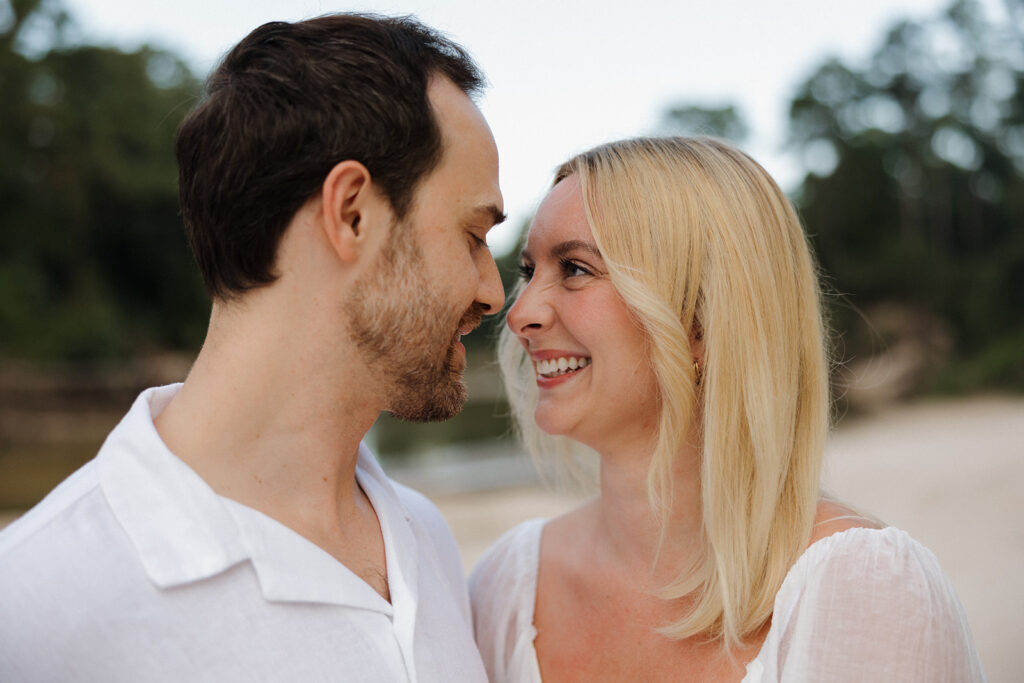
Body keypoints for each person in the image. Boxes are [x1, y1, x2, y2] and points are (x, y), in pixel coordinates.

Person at [0, 14, 504, 681]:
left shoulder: (424, 538)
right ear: (352, 211)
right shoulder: (33, 609)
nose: (493, 291)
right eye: (473, 235)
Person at [470, 137, 986, 682]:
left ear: (702, 321)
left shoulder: (864, 589)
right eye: (528, 271)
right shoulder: (507, 588)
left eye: (574, 268)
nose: (519, 311)